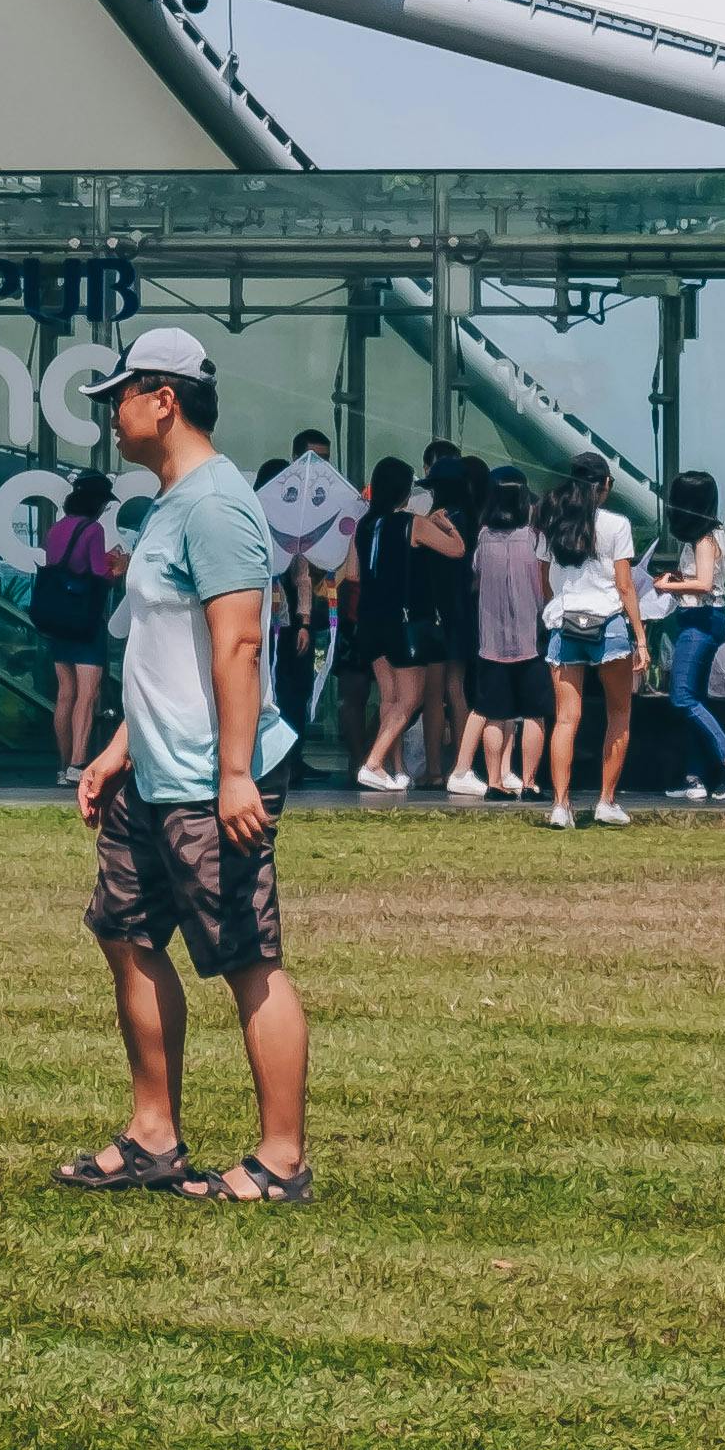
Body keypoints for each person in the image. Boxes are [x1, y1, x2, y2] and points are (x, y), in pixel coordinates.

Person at [51, 326, 310, 1205]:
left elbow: (237, 646)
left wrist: (235, 774)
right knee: (125, 938)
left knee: (247, 960)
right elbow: (164, 650)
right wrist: (116, 752)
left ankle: (280, 1161)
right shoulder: (168, 503)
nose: (111, 414)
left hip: (210, 781)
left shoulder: (216, 506)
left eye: (120, 396)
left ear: (163, 399)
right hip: (152, 777)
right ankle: (153, 1136)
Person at [532, 461, 645, 828]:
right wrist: (641, 638)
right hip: (608, 622)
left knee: (565, 718)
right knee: (619, 713)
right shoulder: (617, 525)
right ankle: (606, 800)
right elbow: (625, 585)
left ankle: (560, 806)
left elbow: (545, 580)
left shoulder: (551, 519)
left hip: (565, 623)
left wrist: (558, 605)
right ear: (606, 484)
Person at [641, 469, 725, 801]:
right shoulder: (711, 535)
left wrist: (668, 585)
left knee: (682, 697)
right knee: (696, 699)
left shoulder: (704, 539)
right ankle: (696, 776)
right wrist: (678, 576)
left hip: (700, 620)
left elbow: (704, 583)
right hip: (704, 617)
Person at [358, 457, 462, 793]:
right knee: (411, 698)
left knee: (389, 697)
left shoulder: (366, 525)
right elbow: (456, 550)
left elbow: (358, 574)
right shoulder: (412, 524)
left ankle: (396, 768)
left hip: (371, 620)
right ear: (404, 490)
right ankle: (373, 763)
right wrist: (446, 523)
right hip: (404, 623)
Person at [256, 428, 362, 735]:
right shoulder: (278, 501)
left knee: (295, 685)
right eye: (312, 458)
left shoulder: (324, 499)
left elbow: (303, 570)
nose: (318, 466)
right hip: (264, 610)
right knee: (273, 682)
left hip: (296, 612)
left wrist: (303, 620)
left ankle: (292, 755)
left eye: (325, 460)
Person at [460, 460, 551, 806]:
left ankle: (495, 780)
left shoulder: (483, 538)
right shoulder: (535, 538)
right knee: (533, 714)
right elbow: (543, 588)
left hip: (491, 642)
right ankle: (529, 782)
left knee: (495, 713)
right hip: (531, 638)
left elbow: (477, 579)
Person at [36, 472, 122, 791]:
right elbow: (97, 573)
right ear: (97, 503)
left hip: (59, 622)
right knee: (88, 695)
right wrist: (115, 565)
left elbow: (63, 566)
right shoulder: (93, 529)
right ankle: (77, 763)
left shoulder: (56, 529)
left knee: (65, 694)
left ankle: (62, 766)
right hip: (85, 623)